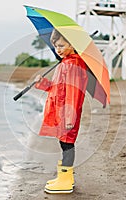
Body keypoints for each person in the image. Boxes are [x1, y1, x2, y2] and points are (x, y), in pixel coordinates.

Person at [34, 29, 88, 194]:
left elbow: (73, 92)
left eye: (61, 45)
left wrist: (70, 116)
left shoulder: (73, 65)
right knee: (64, 144)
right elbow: (57, 88)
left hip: (67, 114)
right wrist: (42, 83)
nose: (58, 49)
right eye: (56, 46)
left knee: (67, 145)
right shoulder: (65, 62)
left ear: (72, 44)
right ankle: (65, 177)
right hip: (61, 112)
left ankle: (65, 182)